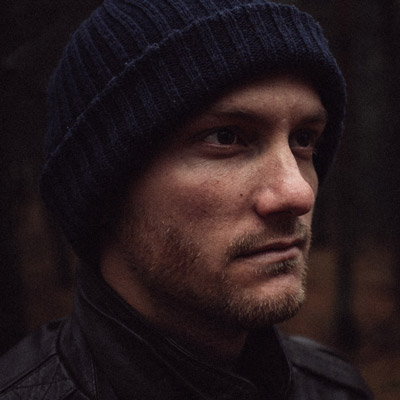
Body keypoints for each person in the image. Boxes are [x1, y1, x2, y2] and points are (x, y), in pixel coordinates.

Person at [0, 0, 373, 398]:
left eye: (303, 139)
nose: (298, 192)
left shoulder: (336, 389)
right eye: (226, 137)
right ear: (104, 189)